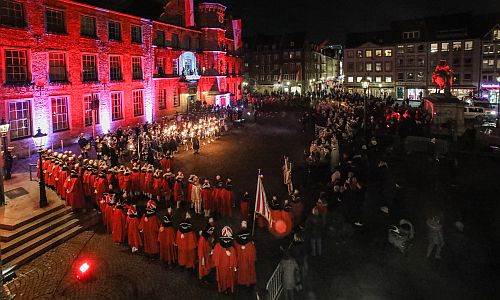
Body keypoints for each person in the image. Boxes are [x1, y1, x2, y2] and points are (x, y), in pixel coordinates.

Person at [213, 226, 238, 295]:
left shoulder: (231, 248)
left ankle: (226, 288)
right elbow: (215, 256)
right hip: (222, 267)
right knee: (223, 278)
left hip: (228, 268)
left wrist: (234, 266)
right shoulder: (218, 246)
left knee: (227, 278)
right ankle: (223, 288)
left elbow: (234, 258)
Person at [235, 221, 257, 287]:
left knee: (242, 272)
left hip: (242, 260)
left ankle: (243, 282)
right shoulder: (250, 245)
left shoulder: (237, 243)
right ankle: (248, 282)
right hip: (248, 261)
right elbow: (253, 254)